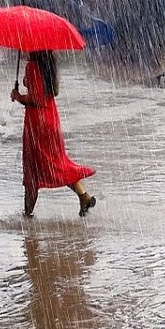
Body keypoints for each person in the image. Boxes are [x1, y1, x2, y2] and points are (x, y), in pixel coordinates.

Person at [11, 51, 98, 217]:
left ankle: (27, 217)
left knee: (33, 171)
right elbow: (46, 96)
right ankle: (84, 197)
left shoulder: (32, 66)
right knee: (56, 164)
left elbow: (36, 99)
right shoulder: (48, 66)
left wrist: (19, 96)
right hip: (51, 119)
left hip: (37, 124)